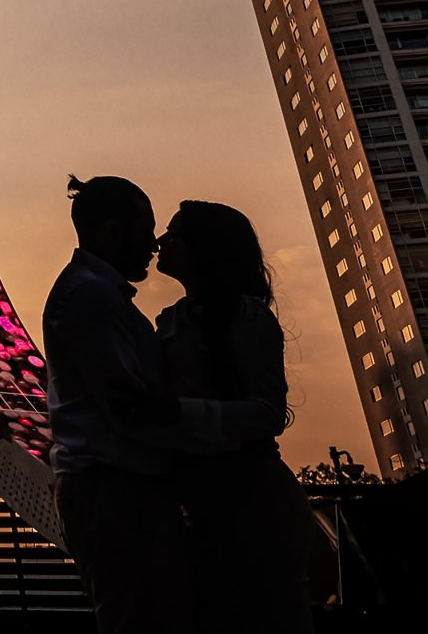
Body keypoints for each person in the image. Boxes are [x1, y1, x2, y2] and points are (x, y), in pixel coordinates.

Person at [42, 174, 193, 633]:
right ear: (111, 231)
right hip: (118, 490)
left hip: (114, 489)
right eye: (145, 229)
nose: (153, 243)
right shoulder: (92, 296)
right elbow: (126, 402)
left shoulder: (92, 293)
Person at [155, 200, 316, 634]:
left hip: (253, 502)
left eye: (174, 233)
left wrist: (177, 413)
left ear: (204, 247)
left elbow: (268, 412)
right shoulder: (171, 320)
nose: (161, 241)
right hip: (206, 501)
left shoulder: (248, 318)